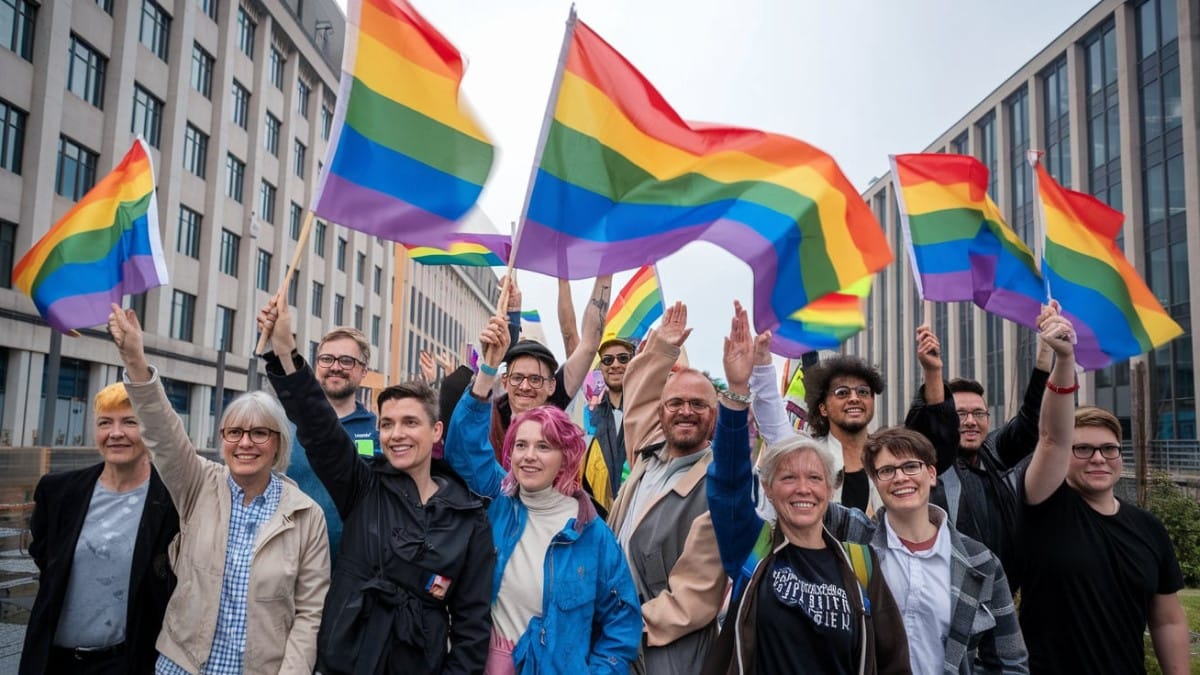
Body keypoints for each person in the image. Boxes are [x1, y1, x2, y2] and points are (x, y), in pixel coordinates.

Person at [259, 296, 495, 674]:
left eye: (410, 423)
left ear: (436, 432)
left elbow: (471, 627)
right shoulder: (363, 485)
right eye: (387, 424)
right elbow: (318, 426)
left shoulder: (469, 516)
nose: (396, 434)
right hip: (345, 659)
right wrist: (286, 349)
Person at [107, 305, 329, 674]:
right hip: (183, 665)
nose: (245, 443)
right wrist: (134, 359)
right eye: (234, 432)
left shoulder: (305, 514)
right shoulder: (198, 483)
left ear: (277, 443)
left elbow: (309, 614)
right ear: (223, 439)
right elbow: (163, 432)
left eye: (259, 433)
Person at [704, 303, 909, 675]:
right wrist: (736, 391)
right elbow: (728, 487)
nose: (803, 488)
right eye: (788, 477)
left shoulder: (862, 566)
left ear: (830, 486)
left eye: (814, 478)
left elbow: (893, 661)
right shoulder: (753, 549)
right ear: (766, 488)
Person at [443, 314, 642, 674]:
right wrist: (488, 367)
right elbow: (463, 448)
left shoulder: (592, 534)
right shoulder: (499, 500)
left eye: (544, 446)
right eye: (521, 445)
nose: (530, 455)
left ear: (565, 456)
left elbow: (621, 624)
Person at [1019, 307, 1189, 674]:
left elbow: (1168, 619)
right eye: (1083, 449)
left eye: (1108, 449)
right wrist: (1065, 360)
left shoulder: (1148, 528)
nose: (1098, 458)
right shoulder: (1046, 506)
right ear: (1066, 456)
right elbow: (1051, 438)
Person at [20, 382, 179, 675]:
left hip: (128, 662)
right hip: (55, 662)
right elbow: (46, 557)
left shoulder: (171, 503)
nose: (116, 433)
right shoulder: (58, 492)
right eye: (105, 422)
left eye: (130, 422)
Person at [608, 301, 729, 675]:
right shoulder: (647, 454)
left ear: (716, 417)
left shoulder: (720, 486)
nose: (685, 411)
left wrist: (623, 626)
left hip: (665, 652)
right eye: (675, 402)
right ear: (661, 413)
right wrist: (662, 348)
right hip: (615, 642)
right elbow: (640, 396)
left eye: (698, 404)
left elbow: (696, 595)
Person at [863, 427, 1027, 674]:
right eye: (887, 470)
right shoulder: (856, 541)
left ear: (931, 474)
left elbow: (1010, 663)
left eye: (910, 466)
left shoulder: (980, 562)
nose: (900, 478)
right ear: (876, 481)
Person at [904, 324, 1049, 590]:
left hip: (998, 597)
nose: (970, 422)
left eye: (978, 414)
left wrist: (1045, 358)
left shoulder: (995, 454)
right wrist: (933, 372)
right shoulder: (932, 463)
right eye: (960, 415)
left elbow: (1030, 422)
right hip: (944, 593)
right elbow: (933, 429)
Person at [288, 325, 379, 560]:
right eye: (327, 359)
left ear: (363, 372)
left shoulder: (378, 431)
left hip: (351, 567)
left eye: (347, 361)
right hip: (289, 562)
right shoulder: (287, 425)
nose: (335, 367)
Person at [802, 354, 886, 512]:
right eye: (842, 393)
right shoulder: (808, 456)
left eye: (863, 392)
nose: (854, 398)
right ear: (823, 409)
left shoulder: (891, 455)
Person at [581, 335, 637, 514]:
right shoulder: (588, 415)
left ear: (633, 363)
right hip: (597, 514)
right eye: (607, 360)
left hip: (634, 512)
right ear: (601, 367)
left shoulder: (646, 410)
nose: (615, 365)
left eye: (623, 358)